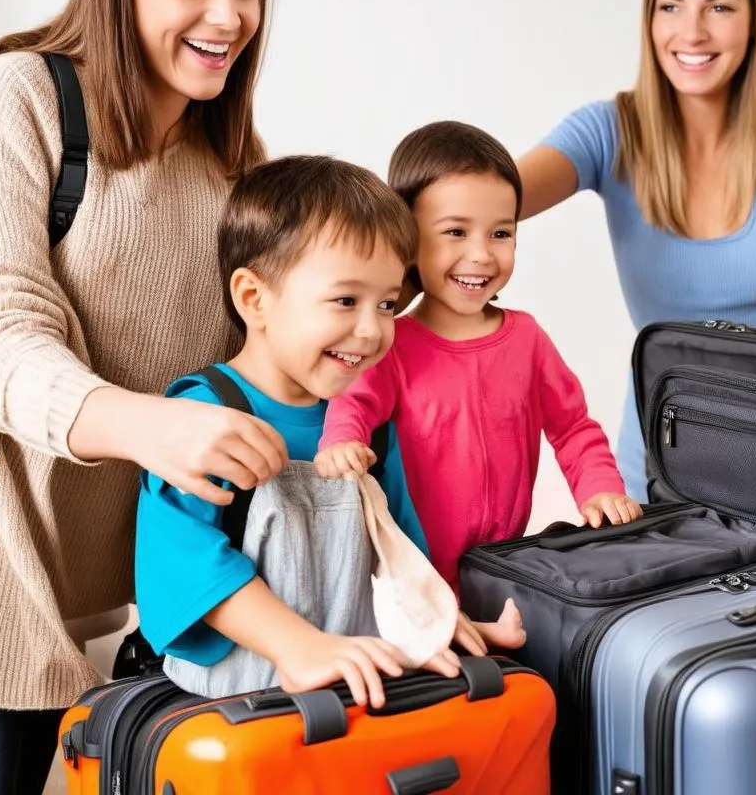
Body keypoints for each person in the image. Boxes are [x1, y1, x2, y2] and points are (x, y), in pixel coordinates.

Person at [0, 0, 285, 795]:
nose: (229, 17)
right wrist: (152, 427)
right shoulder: (22, 98)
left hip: (159, 607)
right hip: (1, 595)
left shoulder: (232, 161)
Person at [136, 155, 514, 708]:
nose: (372, 330)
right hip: (239, 713)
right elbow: (181, 564)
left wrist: (437, 621)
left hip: (347, 707)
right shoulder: (204, 418)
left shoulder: (371, 427)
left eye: (387, 304)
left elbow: (400, 553)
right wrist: (299, 646)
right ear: (253, 298)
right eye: (345, 300)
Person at [516, 0, 756, 500]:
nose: (692, 32)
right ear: (649, 20)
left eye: (720, 8)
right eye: (671, 7)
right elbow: (496, 195)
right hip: (661, 458)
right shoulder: (609, 131)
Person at [318, 121, 641, 593]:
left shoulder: (527, 339)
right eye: (455, 231)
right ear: (407, 236)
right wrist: (342, 441)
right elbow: (353, 404)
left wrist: (601, 488)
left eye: (500, 234)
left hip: (503, 565)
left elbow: (573, 428)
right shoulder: (392, 343)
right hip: (411, 575)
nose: (481, 255)